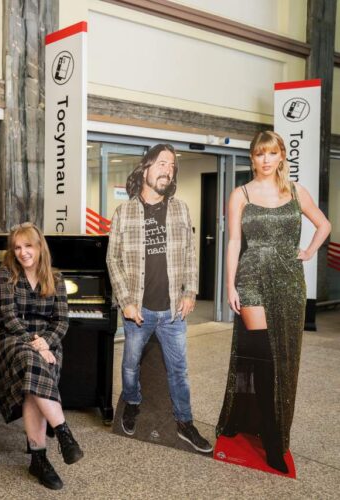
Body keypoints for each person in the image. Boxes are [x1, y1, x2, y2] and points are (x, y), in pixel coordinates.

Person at [216, 131, 330, 473]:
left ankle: (248, 419)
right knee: (260, 353)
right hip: (251, 277)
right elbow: (234, 242)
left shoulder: (296, 191)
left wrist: (308, 251)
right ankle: (271, 437)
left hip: (289, 281)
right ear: (252, 158)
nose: (265, 160)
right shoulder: (240, 194)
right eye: (259, 154)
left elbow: (324, 224)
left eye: (271, 154)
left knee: (283, 357)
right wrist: (229, 286)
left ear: (281, 156)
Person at [106, 143, 212, 453]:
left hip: (172, 311)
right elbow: (114, 260)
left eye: (172, 166)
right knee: (130, 366)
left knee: (179, 370)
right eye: (163, 163)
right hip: (137, 308)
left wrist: (190, 292)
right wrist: (126, 301)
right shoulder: (124, 212)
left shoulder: (180, 208)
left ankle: (184, 422)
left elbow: (190, 253)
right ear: (146, 167)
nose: (169, 169)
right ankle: (133, 403)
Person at [0, 222, 82, 491]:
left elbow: (61, 321)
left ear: (40, 246)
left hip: (47, 341)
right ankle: (63, 432)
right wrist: (35, 344)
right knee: (33, 361)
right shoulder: (6, 274)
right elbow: (8, 317)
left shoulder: (56, 278)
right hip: (11, 338)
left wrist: (47, 342)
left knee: (34, 379)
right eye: (17, 247)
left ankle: (38, 458)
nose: (22, 252)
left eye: (28, 246)